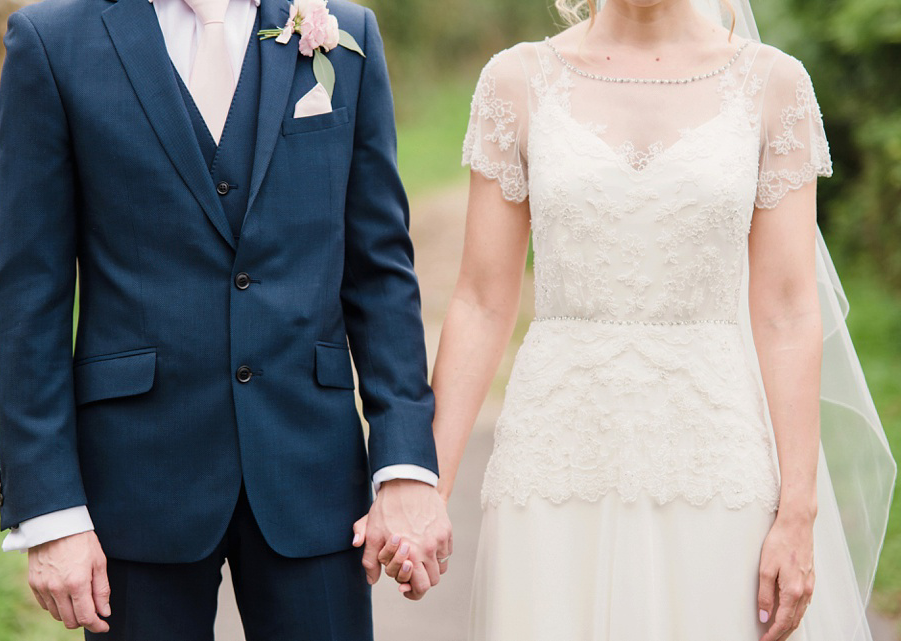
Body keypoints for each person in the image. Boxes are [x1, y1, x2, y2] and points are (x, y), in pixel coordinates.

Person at [378, 0, 896, 639]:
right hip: (554, 463)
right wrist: (430, 487)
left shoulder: (774, 85)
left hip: (714, 466)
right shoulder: (515, 82)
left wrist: (798, 513)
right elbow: (482, 301)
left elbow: (788, 310)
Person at [0, 0, 451, 637]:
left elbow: (379, 270)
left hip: (311, 478)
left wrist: (404, 464)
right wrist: (50, 512)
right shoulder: (52, 39)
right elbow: (26, 295)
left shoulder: (346, 32)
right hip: (133, 488)